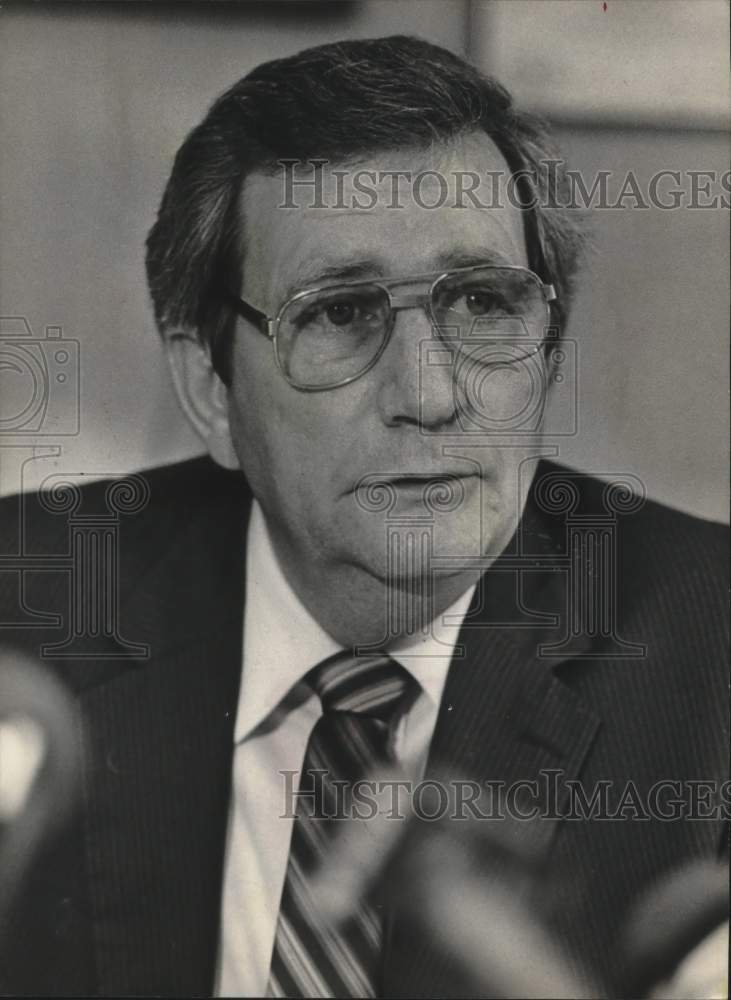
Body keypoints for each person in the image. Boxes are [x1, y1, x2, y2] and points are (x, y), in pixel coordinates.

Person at [0, 35, 727, 999]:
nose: (428, 393)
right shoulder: (26, 617)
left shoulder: (710, 657)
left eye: (480, 302)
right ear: (210, 387)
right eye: (339, 313)